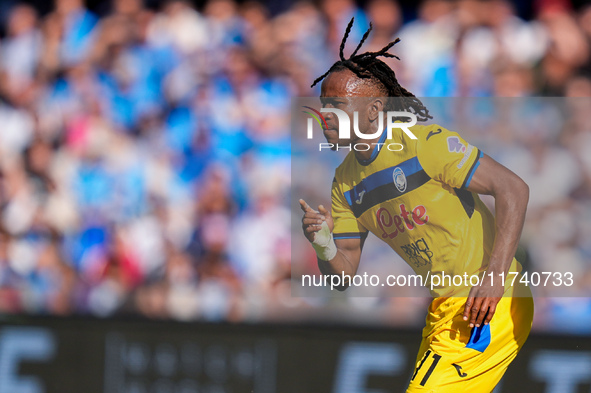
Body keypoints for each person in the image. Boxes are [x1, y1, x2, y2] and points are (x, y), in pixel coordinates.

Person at [300, 19, 533, 392]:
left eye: (337, 105)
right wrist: (322, 242)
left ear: (374, 110)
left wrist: (494, 275)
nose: (326, 115)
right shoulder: (345, 182)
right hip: (446, 310)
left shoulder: (423, 143)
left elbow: (513, 189)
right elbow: (342, 275)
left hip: (486, 302)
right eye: (324, 105)